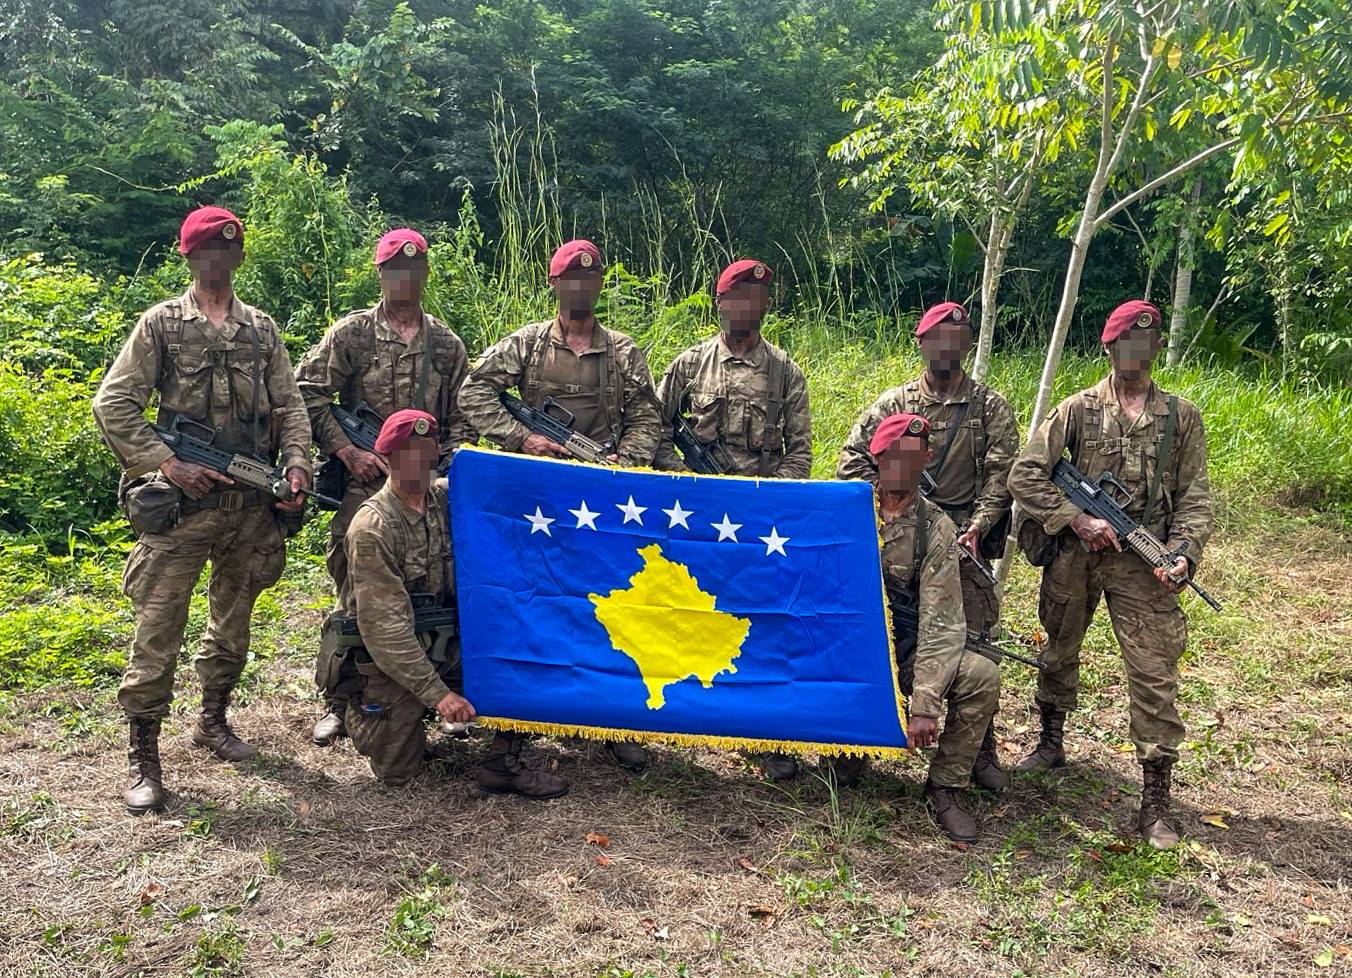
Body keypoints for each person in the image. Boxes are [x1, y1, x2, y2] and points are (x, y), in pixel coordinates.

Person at [92, 206, 313, 814]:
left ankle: (213, 720)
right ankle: (144, 754)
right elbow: (114, 403)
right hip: (183, 509)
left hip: (249, 507)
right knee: (158, 629)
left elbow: (291, 407)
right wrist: (167, 462)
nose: (218, 261)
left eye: (228, 250)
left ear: (238, 257)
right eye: (207, 251)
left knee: (233, 624)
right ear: (188, 256)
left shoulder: (260, 329)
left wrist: (297, 463)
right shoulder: (163, 324)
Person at [1007, 300, 1213, 849]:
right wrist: (1076, 518)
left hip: (1141, 561)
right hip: (1077, 553)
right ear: (1110, 347)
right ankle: (1051, 741)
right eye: (1126, 343)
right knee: (1059, 645)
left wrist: (1182, 553)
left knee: (1153, 672)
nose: (1136, 352)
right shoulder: (1077, 410)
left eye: (1146, 343)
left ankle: (1155, 796)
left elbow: (1195, 498)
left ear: (1156, 348)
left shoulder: (1180, 417)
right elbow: (1025, 474)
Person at [458, 238, 661, 773]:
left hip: (602, 506)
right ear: (554, 284)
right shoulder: (527, 344)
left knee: (609, 609)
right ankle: (513, 730)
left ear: (599, 284)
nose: (580, 288)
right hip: (538, 505)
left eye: (589, 279)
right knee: (531, 608)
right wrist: (522, 439)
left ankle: (611, 721)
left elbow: (648, 417)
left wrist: (623, 463)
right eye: (571, 279)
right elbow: (473, 392)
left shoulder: (623, 351)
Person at [324, 409, 568, 797]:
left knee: (530, 662)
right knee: (399, 774)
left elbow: (504, 491)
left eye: (427, 453)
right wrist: (438, 695)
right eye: (408, 455)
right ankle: (361, 707)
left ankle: (502, 764)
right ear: (387, 457)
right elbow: (385, 631)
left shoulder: (447, 498)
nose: (420, 463)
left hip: (449, 642)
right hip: (392, 658)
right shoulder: (374, 527)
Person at [295, 228, 475, 748]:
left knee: (435, 588)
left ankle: (439, 690)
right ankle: (340, 699)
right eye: (396, 269)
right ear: (381, 274)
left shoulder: (445, 344)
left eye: (414, 270)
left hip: (427, 489)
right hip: (364, 488)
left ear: (425, 274)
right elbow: (307, 393)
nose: (405, 278)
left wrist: (442, 466)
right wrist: (345, 450)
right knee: (355, 597)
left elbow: (464, 415)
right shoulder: (351, 335)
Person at [837, 302, 1018, 791]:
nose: (947, 347)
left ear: (968, 345)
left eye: (957, 339)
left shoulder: (989, 406)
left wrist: (976, 526)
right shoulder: (895, 405)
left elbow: (1002, 474)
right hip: (900, 529)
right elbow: (851, 460)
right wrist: (889, 503)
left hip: (964, 539)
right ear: (922, 343)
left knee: (972, 643)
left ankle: (979, 749)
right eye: (938, 338)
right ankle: (852, 745)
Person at [654, 257, 812, 781]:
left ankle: (759, 730)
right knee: (684, 612)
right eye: (738, 297)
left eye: (758, 298)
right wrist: (687, 483)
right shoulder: (689, 366)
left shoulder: (785, 373)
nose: (748, 306)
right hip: (695, 517)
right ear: (720, 302)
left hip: (755, 526)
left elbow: (800, 454)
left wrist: (763, 499)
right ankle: (673, 712)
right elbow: (654, 431)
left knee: (755, 625)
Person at [828, 413, 1000, 843]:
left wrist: (924, 704)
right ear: (877, 457)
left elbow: (941, 622)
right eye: (893, 457)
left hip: (904, 648)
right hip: (845, 648)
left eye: (912, 457)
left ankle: (945, 788)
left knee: (981, 675)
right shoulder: (845, 508)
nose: (901, 467)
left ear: (926, 459)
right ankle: (845, 747)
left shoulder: (935, 527)